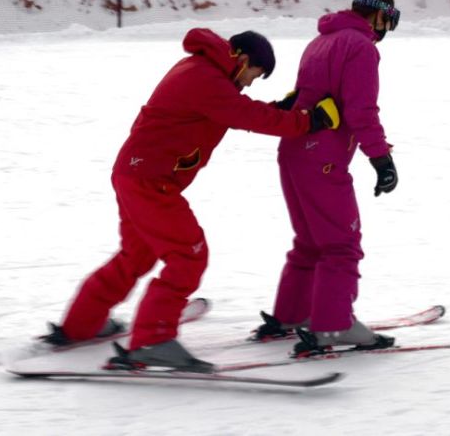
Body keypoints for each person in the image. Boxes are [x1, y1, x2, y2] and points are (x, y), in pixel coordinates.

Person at [40, 28, 340, 372]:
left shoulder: (202, 70)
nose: (251, 83)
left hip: (134, 175)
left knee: (136, 255)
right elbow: (247, 116)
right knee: (188, 255)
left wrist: (281, 110)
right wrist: (307, 121)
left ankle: (82, 324)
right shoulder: (206, 78)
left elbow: (236, 110)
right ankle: (152, 340)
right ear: (242, 59)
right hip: (150, 183)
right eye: (254, 75)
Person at [255, 0, 401, 353]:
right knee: (341, 244)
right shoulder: (361, 47)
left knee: (310, 241)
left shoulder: (320, 41)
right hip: (321, 157)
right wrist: (382, 159)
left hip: (292, 151)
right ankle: (333, 326)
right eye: (390, 21)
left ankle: (291, 313)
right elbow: (361, 111)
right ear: (380, 16)